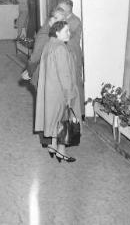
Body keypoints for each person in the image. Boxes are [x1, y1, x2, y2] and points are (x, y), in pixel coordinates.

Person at [34, 21, 82, 163]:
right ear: (57, 32)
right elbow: (65, 75)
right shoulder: (61, 48)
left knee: (54, 120)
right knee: (64, 121)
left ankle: (52, 146)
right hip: (61, 92)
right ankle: (62, 151)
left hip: (51, 91)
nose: (69, 33)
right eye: (66, 31)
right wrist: (69, 95)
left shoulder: (50, 44)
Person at [25, 8, 66, 88]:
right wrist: (30, 73)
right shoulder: (44, 35)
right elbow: (34, 59)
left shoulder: (54, 31)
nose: (62, 24)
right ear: (51, 19)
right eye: (60, 21)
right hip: (43, 77)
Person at [58, 0, 84, 116]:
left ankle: (79, 113)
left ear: (68, 9)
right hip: (66, 53)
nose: (58, 9)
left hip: (73, 54)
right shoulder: (65, 19)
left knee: (76, 83)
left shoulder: (74, 21)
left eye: (61, 8)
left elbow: (67, 38)